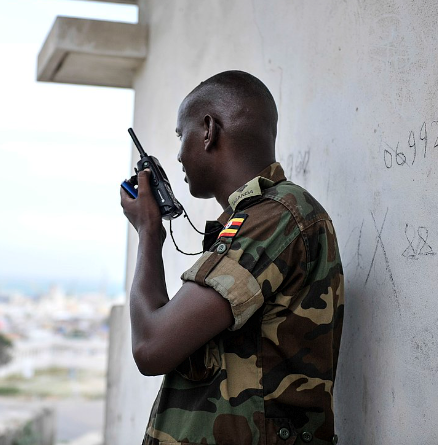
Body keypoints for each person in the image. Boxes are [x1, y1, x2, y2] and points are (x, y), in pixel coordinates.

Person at [120, 70, 344, 445]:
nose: (177, 155)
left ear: (208, 130)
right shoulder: (255, 220)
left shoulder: (275, 219)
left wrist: (148, 234)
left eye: (182, 135)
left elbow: (150, 347)